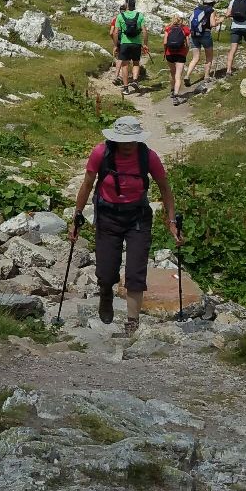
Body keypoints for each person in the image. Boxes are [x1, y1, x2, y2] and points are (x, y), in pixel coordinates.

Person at [71, 116, 180, 336]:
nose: (128, 145)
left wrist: (172, 222)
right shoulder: (101, 153)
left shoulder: (148, 157)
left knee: (135, 272)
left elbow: (165, 189)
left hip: (138, 218)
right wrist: (77, 218)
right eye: (124, 140)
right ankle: (106, 293)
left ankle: (132, 324)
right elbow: (87, 184)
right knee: (106, 272)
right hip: (108, 216)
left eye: (132, 140)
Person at [112, 0, 146, 90]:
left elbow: (115, 32)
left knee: (125, 65)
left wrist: (115, 45)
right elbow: (144, 31)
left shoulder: (120, 16)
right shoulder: (140, 15)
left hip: (124, 43)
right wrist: (145, 44)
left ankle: (126, 87)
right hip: (137, 43)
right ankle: (135, 80)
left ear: (127, 5)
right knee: (136, 63)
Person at [184, 0, 217, 87]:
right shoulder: (211, 10)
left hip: (194, 35)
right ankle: (206, 76)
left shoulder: (196, 9)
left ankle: (187, 75)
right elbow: (213, 24)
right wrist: (219, 21)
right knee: (209, 57)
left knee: (195, 58)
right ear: (212, 3)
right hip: (205, 34)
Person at [162, 12, 191, 105]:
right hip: (180, 54)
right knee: (178, 75)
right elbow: (188, 44)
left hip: (169, 54)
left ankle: (172, 89)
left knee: (172, 72)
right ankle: (176, 95)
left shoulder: (168, 28)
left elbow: (165, 42)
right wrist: (185, 53)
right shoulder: (185, 29)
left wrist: (165, 52)